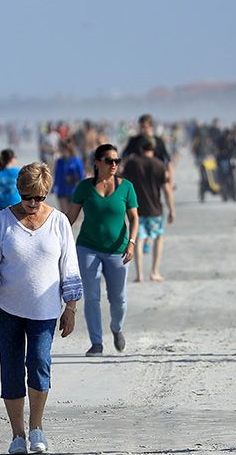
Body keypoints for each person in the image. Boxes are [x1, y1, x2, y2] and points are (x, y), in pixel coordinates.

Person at [0, 163, 81, 455]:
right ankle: (17, 434)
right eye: (26, 196)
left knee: (38, 364)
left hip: (45, 310)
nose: (32, 203)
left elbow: (69, 267)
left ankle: (37, 428)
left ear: (46, 193)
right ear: (18, 191)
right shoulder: (2, 221)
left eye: (39, 197)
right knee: (10, 369)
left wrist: (70, 307)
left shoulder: (59, 221)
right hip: (7, 309)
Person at [65, 144, 138, 356]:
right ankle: (96, 342)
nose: (114, 165)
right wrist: (52, 235)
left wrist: (131, 243)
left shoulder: (126, 187)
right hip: (88, 247)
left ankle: (117, 327)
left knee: (119, 299)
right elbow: (70, 217)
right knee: (92, 296)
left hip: (118, 250)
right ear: (97, 162)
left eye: (117, 161)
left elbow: (134, 218)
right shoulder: (84, 187)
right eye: (109, 160)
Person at [121, 137, 174, 283]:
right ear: (153, 149)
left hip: (137, 209)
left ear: (140, 148)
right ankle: (154, 272)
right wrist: (172, 210)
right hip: (155, 209)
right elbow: (167, 189)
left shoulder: (133, 163)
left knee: (138, 239)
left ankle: (139, 275)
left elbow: (121, 179)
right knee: (158, 237)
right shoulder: (159, 165)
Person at [52, 138, 84, 213]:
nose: (59, 149)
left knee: (72, 215)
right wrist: (53, 187)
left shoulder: (77, 161)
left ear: (65, 148)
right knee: (64, 213)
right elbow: (57, 175)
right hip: (61, 190)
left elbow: (81, 176)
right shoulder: (59, 161)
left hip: (74, 190)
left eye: (60, 147)